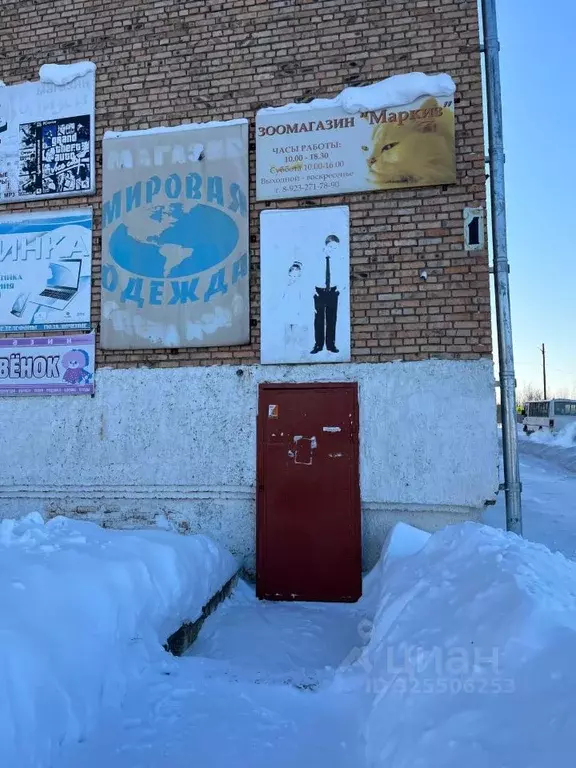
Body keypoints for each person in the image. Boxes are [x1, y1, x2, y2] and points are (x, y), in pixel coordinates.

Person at [311, 234, 340, 354]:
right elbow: (310, 274)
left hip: (332, 292)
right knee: (319, 319)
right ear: (326, 244)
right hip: (319, 292)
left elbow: (341, 274)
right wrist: (313, 291)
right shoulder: (317, 258)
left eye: (335, 248)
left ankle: (331, 345)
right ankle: (318, 345)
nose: (333, 250)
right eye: (331, 247)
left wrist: (339, 289)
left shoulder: (338, 258)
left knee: (332, 319)